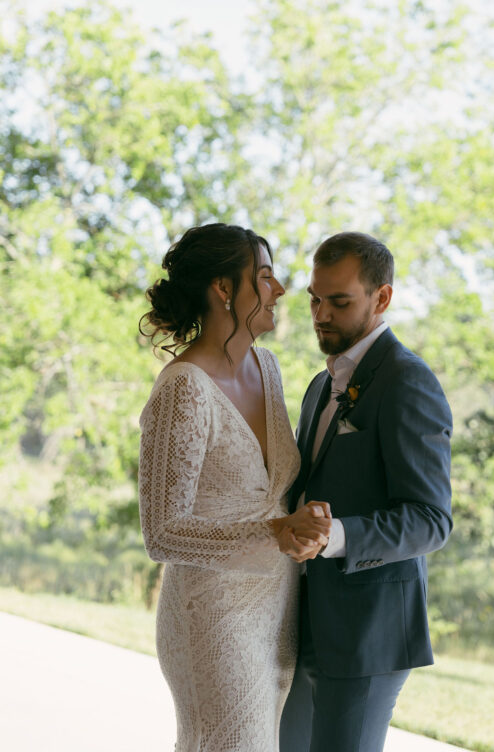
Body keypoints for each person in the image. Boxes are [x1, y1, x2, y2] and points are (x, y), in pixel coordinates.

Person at [138, 223, 331, 752]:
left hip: (277, 607)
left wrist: (304, 522)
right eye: (264, 276)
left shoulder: (268, 369)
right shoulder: (184, 388)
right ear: (224, 289)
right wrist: (274, 530)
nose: (280, 290)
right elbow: (163, 534)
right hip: (212, 614)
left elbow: (277, 490)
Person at [278, 232, 453, 752]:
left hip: (366, 635)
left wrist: (334, 536)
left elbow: (430, 520)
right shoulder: (318, 385)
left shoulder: (407, 381)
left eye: (339, 301)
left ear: (381, 298)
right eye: (314, 298)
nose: (320, 314)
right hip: (302, 618)